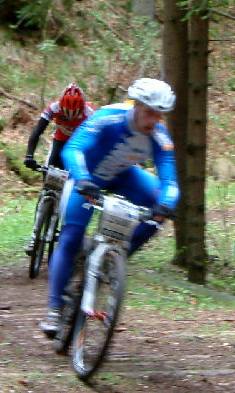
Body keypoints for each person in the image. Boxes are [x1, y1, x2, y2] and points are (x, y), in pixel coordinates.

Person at [39, 78, 179, 335]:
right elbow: (74, 148)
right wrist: (81, 178)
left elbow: (171, 181)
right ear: (136, 105)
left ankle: (112, 260)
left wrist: (167, 204)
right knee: (70, 236)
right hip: (87, 178)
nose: (153, 121)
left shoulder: (159, 136)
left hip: (123, 176)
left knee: (158, 208)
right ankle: (54, 309)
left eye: (159, 115)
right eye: (149, 113)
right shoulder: (109, 117)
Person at [24, 83, 95, 255]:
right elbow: (36, 132)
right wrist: (29, 156)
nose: (70, 119)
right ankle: (34, 237)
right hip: (59, 145)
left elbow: (97, 139)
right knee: (47, 190)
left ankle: (67, 227)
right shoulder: (54, 107)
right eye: (66, 114)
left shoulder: (90, 113)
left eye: (75, 115)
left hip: (78, 150)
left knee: (75, 192)